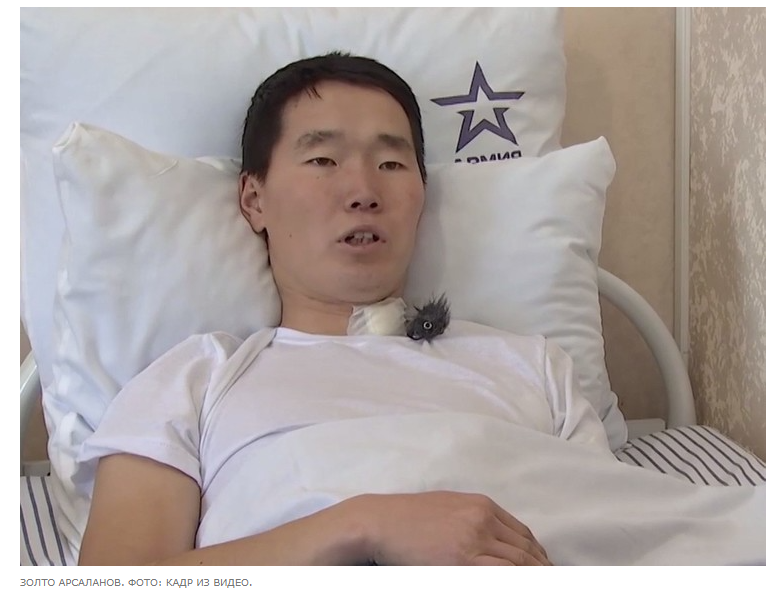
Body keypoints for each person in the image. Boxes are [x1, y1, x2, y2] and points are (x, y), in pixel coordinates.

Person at [77, 52, 613, 566]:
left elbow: (619, 538)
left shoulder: (535, 368)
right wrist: (363, 525)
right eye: (323, 160)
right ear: (254, 200)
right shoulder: (194, 382)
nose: (363, 191)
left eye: (391, 163)